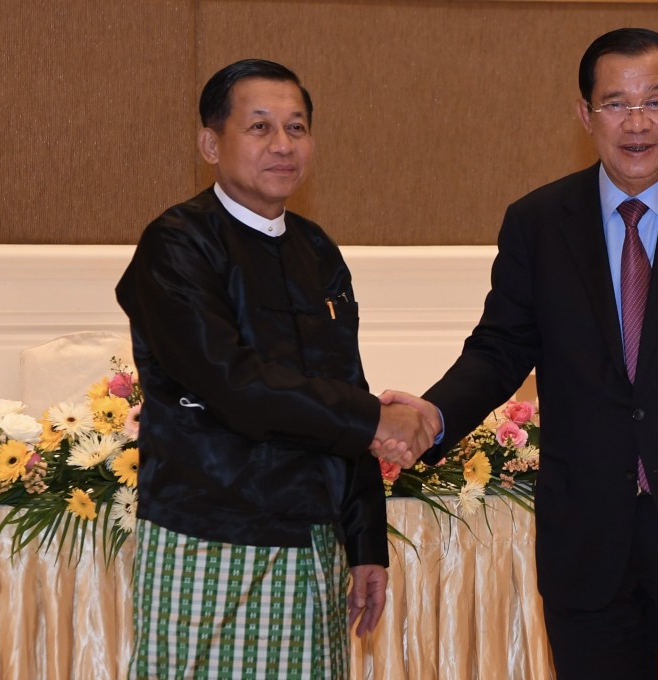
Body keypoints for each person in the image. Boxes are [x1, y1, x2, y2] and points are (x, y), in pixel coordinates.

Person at [376, 28, 658, 680]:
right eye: (615, 104)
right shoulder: (537, 222)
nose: (637, 123)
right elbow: (499, 348)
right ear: (585, 114)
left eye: (655, 102)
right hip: (588, 538)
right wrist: (433, 414)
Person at [115, 58, 434, 678]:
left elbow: (345, 388)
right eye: (259, 127)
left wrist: (366, 542)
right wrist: (376, 419)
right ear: (211, 144)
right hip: (210, 535)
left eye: (297, 127)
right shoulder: (177, 243)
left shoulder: (316, 249)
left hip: (314, 539)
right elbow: (236, 385)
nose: (283, 144)